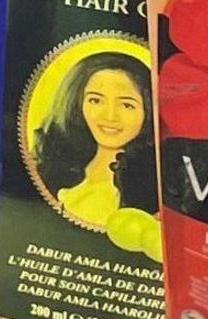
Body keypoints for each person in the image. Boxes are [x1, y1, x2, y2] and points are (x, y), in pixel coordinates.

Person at [32, 47, 162, 257]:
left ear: (148, 111)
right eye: (95, 100)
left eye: (127, 105)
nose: (110, 116)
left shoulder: (154, 189)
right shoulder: (52, 173)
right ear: (77, 104)